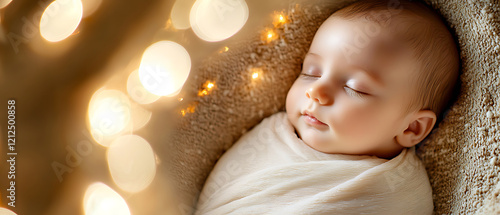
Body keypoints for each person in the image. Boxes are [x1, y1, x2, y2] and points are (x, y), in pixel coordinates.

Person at [195, 0, 460, 214]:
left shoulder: (398, 191)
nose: (316, 91)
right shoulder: (274, 135)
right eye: (311, 72)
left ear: (412, 127)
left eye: (354, 87)